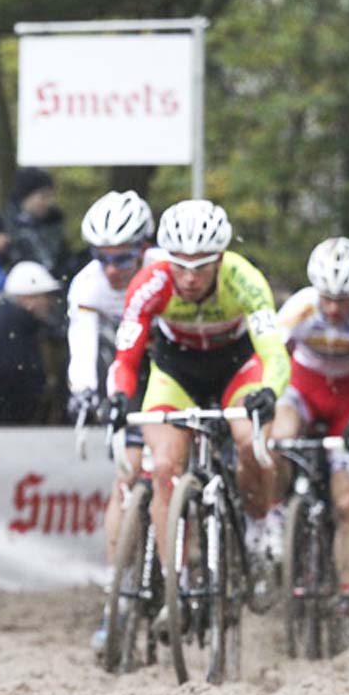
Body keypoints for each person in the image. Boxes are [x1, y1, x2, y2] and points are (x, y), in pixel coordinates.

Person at [107, 199, 290, 614]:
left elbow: (275, 354)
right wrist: (117, 395)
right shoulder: (150, 282)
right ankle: (177, 582)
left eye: (201, 267)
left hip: (237, 366)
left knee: (249, 440)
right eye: (180, 266)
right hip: (177, 370)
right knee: (166, 466)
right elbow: (126, 358)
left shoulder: (244, 279)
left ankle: (259, 521)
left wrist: (270, 391)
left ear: (220, 259)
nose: (189, 278)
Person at [269, 237, 349, 650]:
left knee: (346, 504)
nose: (334, 309)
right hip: (304, 390)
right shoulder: (299, 307)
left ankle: (346, 602)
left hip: (347, 404)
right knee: (278, 439)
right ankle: (276, 517)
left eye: (344, 299)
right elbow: (272, 357)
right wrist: (266, 392)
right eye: (328, 298)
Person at [64, 190, 162, 654]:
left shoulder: (168, 270)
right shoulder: (88, 285)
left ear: (144, 246)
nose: (111, 268)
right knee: (125, 481)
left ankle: (194, 567)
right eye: (100, 257)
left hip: (171, 368)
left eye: (122, 257)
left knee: (176, 469)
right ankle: (116, 599)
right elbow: (81, 343)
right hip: (125, 377)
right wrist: (82, 390)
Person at [0, 261, 61, 424]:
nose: (50, 303)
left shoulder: (20, 327)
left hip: (2, 425)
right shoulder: (1, 332)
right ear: (28, 299)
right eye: (46, 296)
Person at [6, 166, 73, 281]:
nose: (48, 202)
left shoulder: (54, 224)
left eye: (50, 196)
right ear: (26, 197)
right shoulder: (9, 228)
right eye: (43, 196)